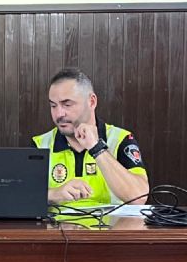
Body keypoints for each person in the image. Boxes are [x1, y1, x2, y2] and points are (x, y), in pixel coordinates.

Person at [33, 68, 148, 208]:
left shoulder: (120, 139)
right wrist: (54, 194)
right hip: (57, 228)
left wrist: (97, 148)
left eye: (67, 104)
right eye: (53, 105)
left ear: (92, 102)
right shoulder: (40, 144)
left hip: (111, 228)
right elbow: (17, 195)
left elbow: (139, 198)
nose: (59, 114)